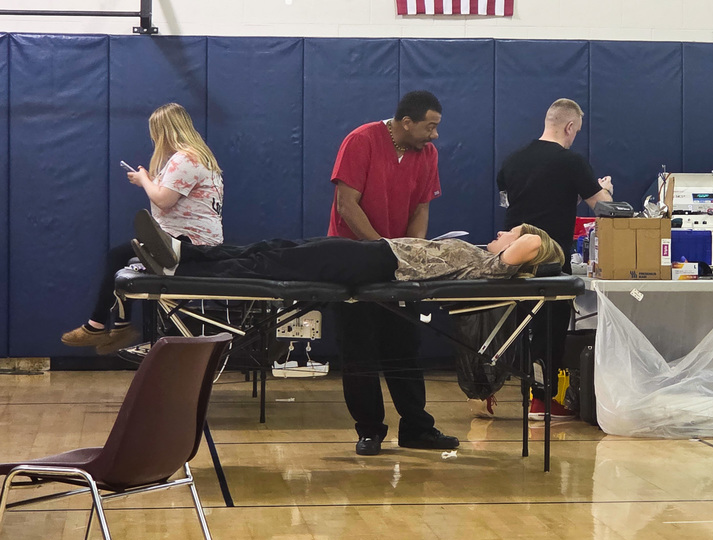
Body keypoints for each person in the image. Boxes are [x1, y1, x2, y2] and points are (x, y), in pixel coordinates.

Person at [327, 90, 453, 456]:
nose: (435, 135)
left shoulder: (428, 154)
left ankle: (416, 428)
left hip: (397, 262)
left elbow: (421, 208)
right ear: (406, 122)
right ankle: (369, 431)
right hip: (355, 258)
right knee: (359, 351)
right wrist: (382, 249)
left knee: (405, 348)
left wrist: (411, 254)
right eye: (429, 127)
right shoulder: (360, 140)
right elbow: (346, 205)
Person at [61, 102, 224, 355]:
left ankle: (99, 326)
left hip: (186, 242)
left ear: (163, 131)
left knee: (118, 256)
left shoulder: (185, 158)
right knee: (123, 259)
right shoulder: (197, 157)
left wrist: (144, 180)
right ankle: (114, 326)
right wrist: (149, 180)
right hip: (188, 239)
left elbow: (163, 200)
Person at [494, 98, 613, 420]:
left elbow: (525, 203)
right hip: (549, 260)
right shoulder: (571, 162)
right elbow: (605, 210)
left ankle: (488, 391)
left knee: (513, 329)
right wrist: (606, 189)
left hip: (512, 259)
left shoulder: (511, 162)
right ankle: (542, 400)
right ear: (570, 127)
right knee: (551, 328)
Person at [131, 212, 562, 286]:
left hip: (379, 262)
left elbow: (535, 243)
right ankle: (182, 254)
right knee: (273, 247)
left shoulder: (493, 265)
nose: (504, 234)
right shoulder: (486, 258)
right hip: (376, 252)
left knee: (272, 264)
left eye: (511, 232)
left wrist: (530, 237)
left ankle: (180, 272)